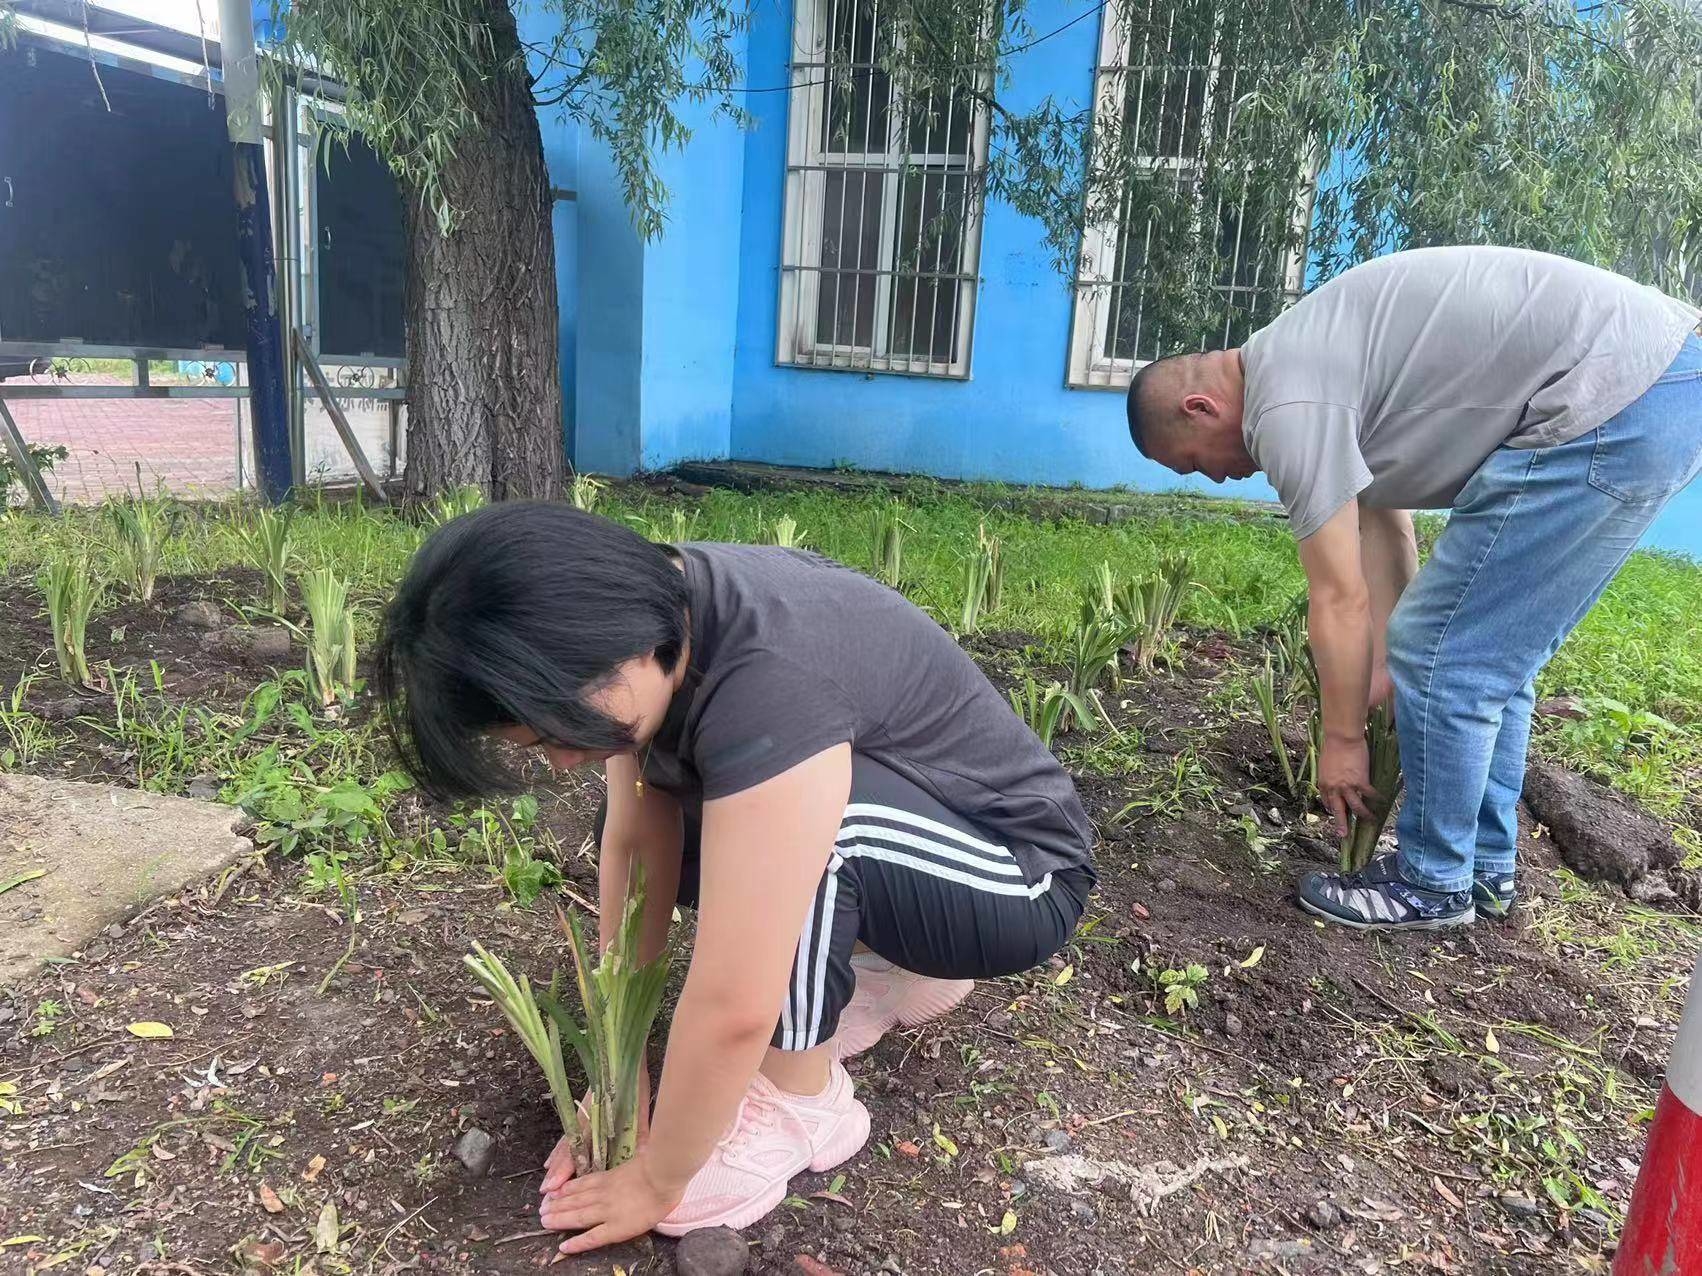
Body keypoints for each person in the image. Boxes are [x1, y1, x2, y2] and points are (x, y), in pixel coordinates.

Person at [373, 503, 1096, 1252]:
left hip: (1020, 877)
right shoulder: (647, 614)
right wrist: (622, 1072)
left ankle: (804, 1099)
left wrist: (659, 1176)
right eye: (539, 743)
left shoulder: (765, 679)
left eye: (559, 731)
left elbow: (734, 1003)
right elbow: (636, 841)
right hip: (926, 845)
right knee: (682, 817)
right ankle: (894, 971)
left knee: (808, 835)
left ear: (620, 647)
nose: (560, 761)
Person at [1125, 245, 1702, 931]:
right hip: (1656, 384)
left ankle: (1432, 884)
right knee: (1484, 658)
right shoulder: (1309, 362)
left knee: (1450, 654)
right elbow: (1386, 528)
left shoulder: (1286, 404)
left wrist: (1344, 740)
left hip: (1614, 397)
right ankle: (1483, 869)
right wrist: (1390, 669)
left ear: (1199, 407)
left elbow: (1338, 598)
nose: (1218, 477)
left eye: (1195, 464)